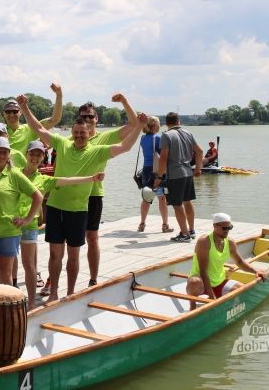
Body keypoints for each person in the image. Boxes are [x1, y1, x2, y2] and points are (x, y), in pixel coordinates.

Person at [19, 94, 144, 301]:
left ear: (89, 133)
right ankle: (55, 293)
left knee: (74, 255)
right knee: (54, 254)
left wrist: (139, 126)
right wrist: (24, 107)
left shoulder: (98, 151)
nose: (78, 136)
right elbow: (39, 129)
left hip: (78, 210)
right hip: (57, 206)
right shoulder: (62, 143)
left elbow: (125, 147)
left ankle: (70, 294)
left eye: (82, 133)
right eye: (76, 132)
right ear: (71, 133)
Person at [19, 140, 105, 309]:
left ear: (43, 158)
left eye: (39, 154)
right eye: (32, 153)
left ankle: (59, 295)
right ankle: (11, 298)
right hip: (10, 224)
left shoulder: (44, 179)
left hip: (29, 225)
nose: (35, 157)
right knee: (11, 262)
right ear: (26, 155)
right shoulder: (15, 173)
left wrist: (91, 178)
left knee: (32, 264)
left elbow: (67, 180)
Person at [76, 97, 143, 287]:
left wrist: (124, 101)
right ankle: (52, 278)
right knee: (68, 240)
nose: (87, 120)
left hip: (94, 193)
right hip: (72, 193)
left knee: (92, 237)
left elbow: (133, 123)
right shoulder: (74, 136)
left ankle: (93, 279)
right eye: (83, 117)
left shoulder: (105, 137)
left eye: (90, 116)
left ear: (96, 118)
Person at [0, 137, 43, 286]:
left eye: (5, 152)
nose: (1, 155)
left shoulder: (15, 174)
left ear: (9, 155)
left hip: (8, 233)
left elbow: (38, 196)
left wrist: (27, 220)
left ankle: (5, 309)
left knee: (6, 277)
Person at [186, 213, 267, 310]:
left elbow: (240, 262)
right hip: (202, 283)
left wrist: (256, 271)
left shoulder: (230, 242)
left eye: (229, 228)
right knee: (194, 282)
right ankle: (192, 308)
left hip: (219, 281)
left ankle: (220, 301)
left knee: (243, 290)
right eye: (224, 228)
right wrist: (212, 297)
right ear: (215, 226)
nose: (227, 231)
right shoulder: (204, 241)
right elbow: (203, 272)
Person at [0, 81, 63, 153]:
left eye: (15, 111)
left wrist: (59, 95)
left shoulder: (29, 129)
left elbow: (54, 120)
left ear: (20, 112)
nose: (11, 114)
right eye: (8, 111)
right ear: (3, 114)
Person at [154, 112, 203, 243]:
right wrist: (198, 168)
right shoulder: (188, 133)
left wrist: (159, 176)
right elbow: (200, 151)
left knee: (177, 205)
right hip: (188, 173)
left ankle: (184, 234)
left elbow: (163, 157)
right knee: (188, 201)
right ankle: (191, 230)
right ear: (179, 121)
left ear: (166, 123)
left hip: (175, 175)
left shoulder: (166, 135)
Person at [137, 116, 174, 233]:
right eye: (159, 123)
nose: (160, 125)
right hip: (156, 170)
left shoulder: (142, 138)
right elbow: (163, 157)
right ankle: (165, 225)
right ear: (155, 125)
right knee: (161, 198)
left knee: (146, 198)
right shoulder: (158, 138)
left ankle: (142, 224)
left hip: (146, 170)